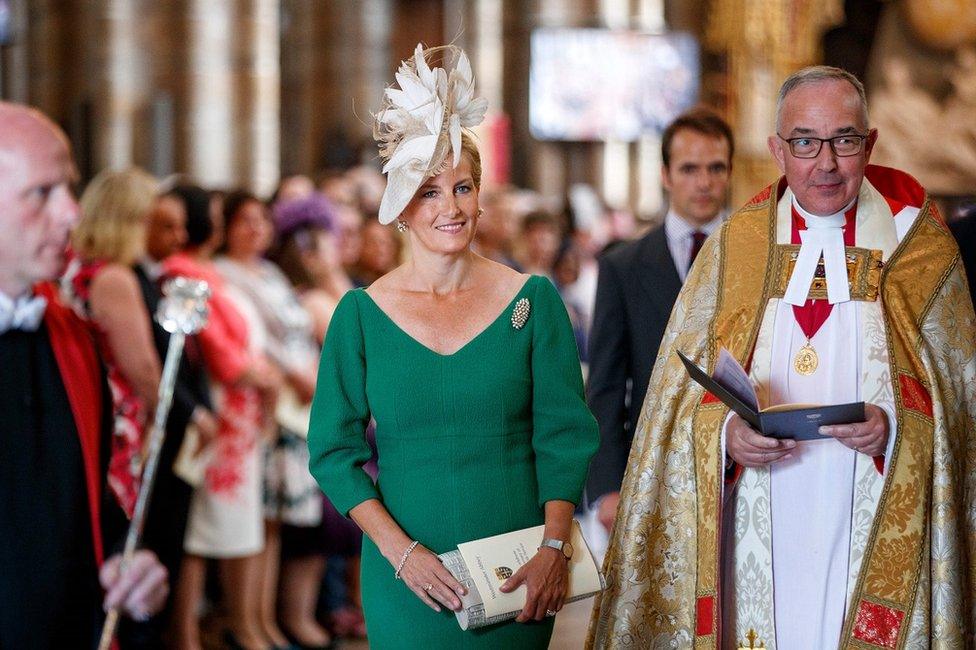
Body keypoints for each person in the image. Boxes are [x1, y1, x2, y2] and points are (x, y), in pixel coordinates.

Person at [589, 67, 976, 648]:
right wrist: (724, 437)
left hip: (871, 516)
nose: (825, 163)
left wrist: (893, 429)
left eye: (844, 140)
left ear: (869, 144)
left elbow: (960, 405)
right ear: (777, 149)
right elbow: (673, 406)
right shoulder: (733, 249)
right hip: (757, 523)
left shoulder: (919, 248)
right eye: (805, 142)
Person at [307, 44, 598, 649]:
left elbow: (565, 434)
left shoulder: (534, 300)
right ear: (401, 208)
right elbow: (333, 453)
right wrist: (400, 552)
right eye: (430, 192)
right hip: (406, 577)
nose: (451, 207)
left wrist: (554, 546)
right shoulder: (359, 315)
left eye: (462, 187)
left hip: (518, 573)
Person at [0, 102, 168, 647]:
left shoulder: (71, 336)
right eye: (41, 193)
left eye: (67, 189)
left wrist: (128, 562)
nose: (72, 213)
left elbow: (85, 502)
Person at [584, 108, 733, 534]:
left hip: (741, 462)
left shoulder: (761, 256)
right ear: (666, 175)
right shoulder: (622, 267)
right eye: (689, 169)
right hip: (652, 465)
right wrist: (607, 486)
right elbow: (607, 387)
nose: (703, 182)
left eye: (715, 168)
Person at [162, 184, 282, 650]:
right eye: (212, 213)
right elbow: (215, 345)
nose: (216, 220)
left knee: (235, 524)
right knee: (203, 528)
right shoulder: (182, 271)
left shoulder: (209, 270)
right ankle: (186, 633)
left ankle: (239, 622)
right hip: (222, 405)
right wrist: (258, 374)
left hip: (243, 410)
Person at [215, 190, 325, 649]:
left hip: (295, 407)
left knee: (276, 518)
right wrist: (294, 373)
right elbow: (258, 336)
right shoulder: (224, 273)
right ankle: (243, 622)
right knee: (255, 517)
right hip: (264, 403)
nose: (256, 229)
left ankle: (263, 620)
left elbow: (297, 325)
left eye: (262, 220)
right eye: (245, 220)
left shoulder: (272, 271)